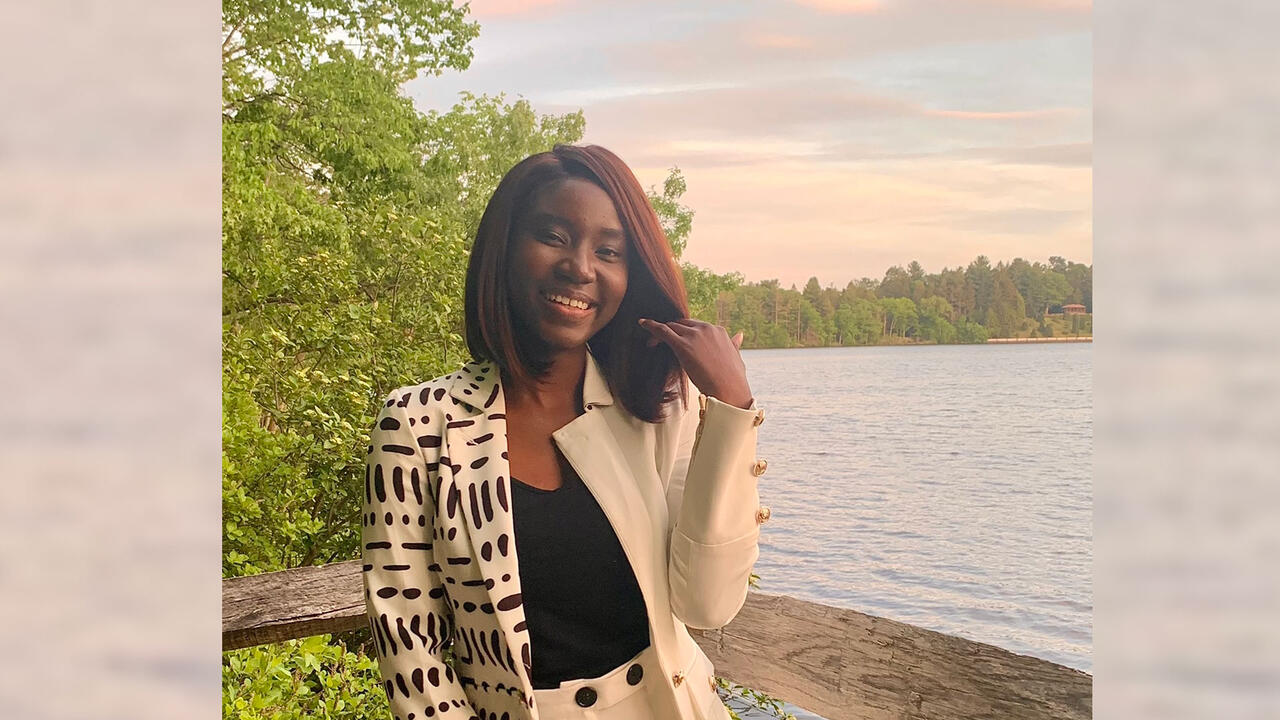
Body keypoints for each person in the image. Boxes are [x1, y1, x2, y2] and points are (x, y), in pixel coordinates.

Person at [361, 144, 769, 720]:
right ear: (503, 251)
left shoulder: (653, 407)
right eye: (553, 236)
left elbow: (707, 603)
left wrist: (731, 409)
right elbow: (410, 647)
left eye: (609, 250)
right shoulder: (422, 425)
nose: (581, 266)